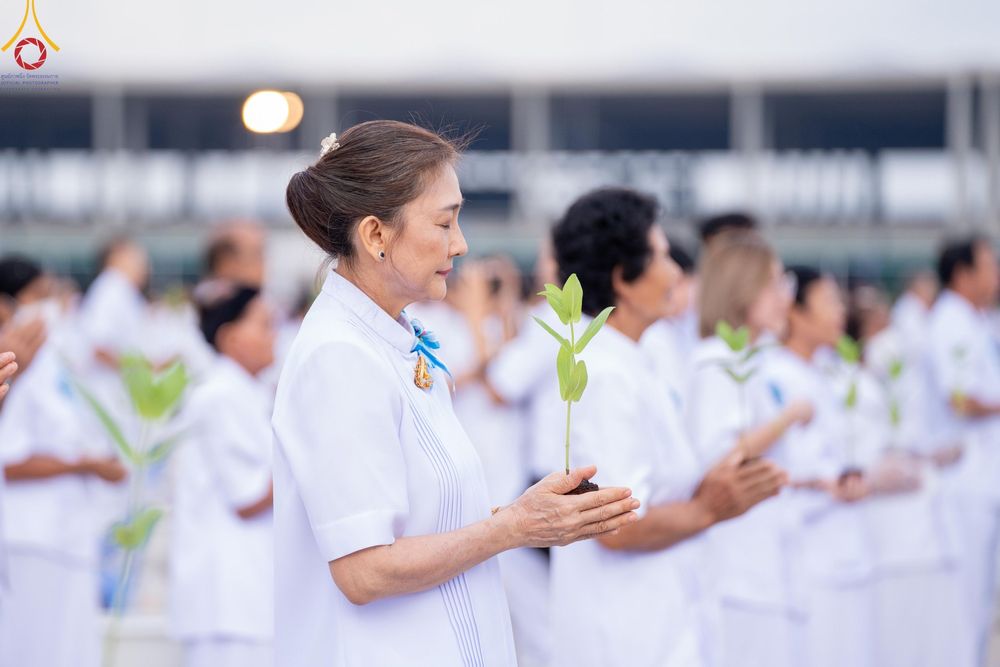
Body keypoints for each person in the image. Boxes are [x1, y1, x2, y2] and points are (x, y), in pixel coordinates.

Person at [273, 120, 639, 666]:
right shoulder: (339, 356)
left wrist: (524, 515)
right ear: (375, 236)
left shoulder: (392, 340)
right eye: (445, 223)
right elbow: (363, 570)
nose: (461, 244)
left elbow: (425, 521)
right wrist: (513, 527)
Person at [547, 188, 786, 667]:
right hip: (626, 633)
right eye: (660, 256)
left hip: (663, 616)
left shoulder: (637, 360)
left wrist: (716, 487)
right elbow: (615, 524)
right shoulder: (605, 374)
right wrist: (709, 508)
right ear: (624, 279)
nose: (677, 272)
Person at [685, 233, 814, 667]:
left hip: (770, 555)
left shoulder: (757, 359)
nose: (784, 297)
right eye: (774, 283)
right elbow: (719, 458)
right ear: (742, 288)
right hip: (739, 568)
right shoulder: (715, 360)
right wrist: (787, 418)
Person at [0, 256, 127, 667]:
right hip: (33, 536)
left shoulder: (55, 359)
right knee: (37, 652)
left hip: (67, 535)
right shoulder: (13, 364)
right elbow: (10, 461)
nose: (51, 305)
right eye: (39, 295)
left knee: (71, 652)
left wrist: (98, 461)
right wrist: (86, 465)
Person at [759, 266, 876, 667]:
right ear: (794, 311)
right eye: (828, 301)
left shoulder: (835, 371)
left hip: (848, 542)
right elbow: (776, 464)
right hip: (804, 548)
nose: (840, 311)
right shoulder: (771, 374)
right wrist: (826, 482)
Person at [170, 282, 276, 667]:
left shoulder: (246, 391)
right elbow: (248, 498)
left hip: (245, 591)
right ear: (231, 337)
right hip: (227, 596)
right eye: (264, 325)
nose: (274, 336)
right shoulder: (220, 395)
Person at [925, 236, 1000, 663]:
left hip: (984, 475)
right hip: (964, 478)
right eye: (989, 266)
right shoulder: (949, 322)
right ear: (963, 274)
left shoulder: (977, 319)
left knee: (982, 600)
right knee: (967, 601)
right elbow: (960, 398)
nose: (997, 275)